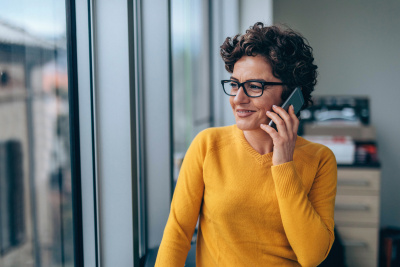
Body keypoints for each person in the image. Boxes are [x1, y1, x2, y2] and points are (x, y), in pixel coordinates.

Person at [155, 22, 337, 267]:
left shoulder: (320, 159)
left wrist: (283, 163)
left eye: (254, 86)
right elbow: (177, 234)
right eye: (233, 84)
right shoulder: (207, 145)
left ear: (292, 93)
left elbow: (312, 256)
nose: (238, 99)